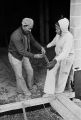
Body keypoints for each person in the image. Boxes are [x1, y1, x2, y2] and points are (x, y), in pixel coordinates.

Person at [8, 18, 45, 97]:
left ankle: (30, 86)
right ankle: (23, 91)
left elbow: (33, 41)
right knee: (19, 76)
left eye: (31, 28)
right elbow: (21, 51)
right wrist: (34, 56)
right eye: (29, 28)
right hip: (15, 56)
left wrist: (41, 47)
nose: (30, 30)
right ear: (24, 26)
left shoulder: (27, 32)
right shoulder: (16, 36)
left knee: (30, 70)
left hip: (23, 54)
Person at [43, 18, 74, 96]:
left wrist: (54, 61)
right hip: (58, 57)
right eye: (56, 28)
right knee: (50, 70)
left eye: (57, 29)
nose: (56, 30)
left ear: (62, 29)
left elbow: (65, 53)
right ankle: (49, 92)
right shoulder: (58, 34)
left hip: (66, 58)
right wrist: (46, 47)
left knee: (62, 75)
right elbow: (54, 42)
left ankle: (58, 92)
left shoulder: (69, 37)